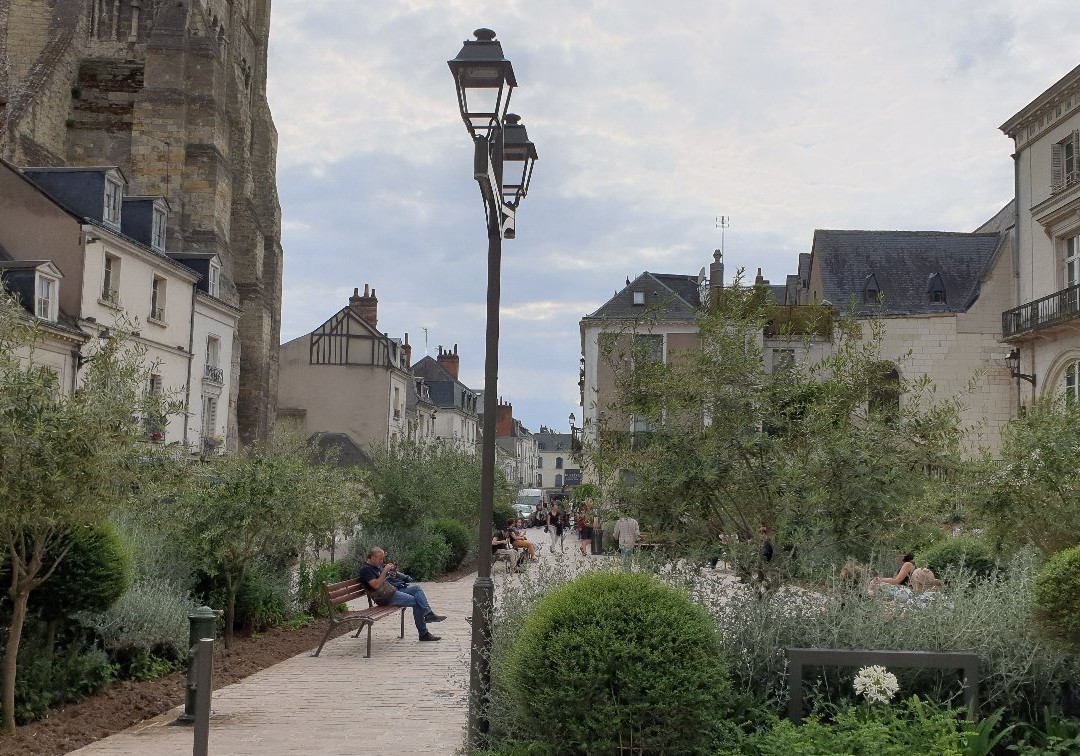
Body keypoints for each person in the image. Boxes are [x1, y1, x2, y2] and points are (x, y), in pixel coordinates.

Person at [358, 547, 444, 642]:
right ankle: (423, 633)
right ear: (373, 558)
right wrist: (384, 571)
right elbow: (376, 585)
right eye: (380, 559)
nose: (382, 561)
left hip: (389, 592)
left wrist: (390, 574)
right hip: (383, 597)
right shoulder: (366, 570)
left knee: (417, 589)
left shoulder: (374, 567)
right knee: (417, 601)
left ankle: (429, 614)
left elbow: (383, 579)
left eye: (382, 559)